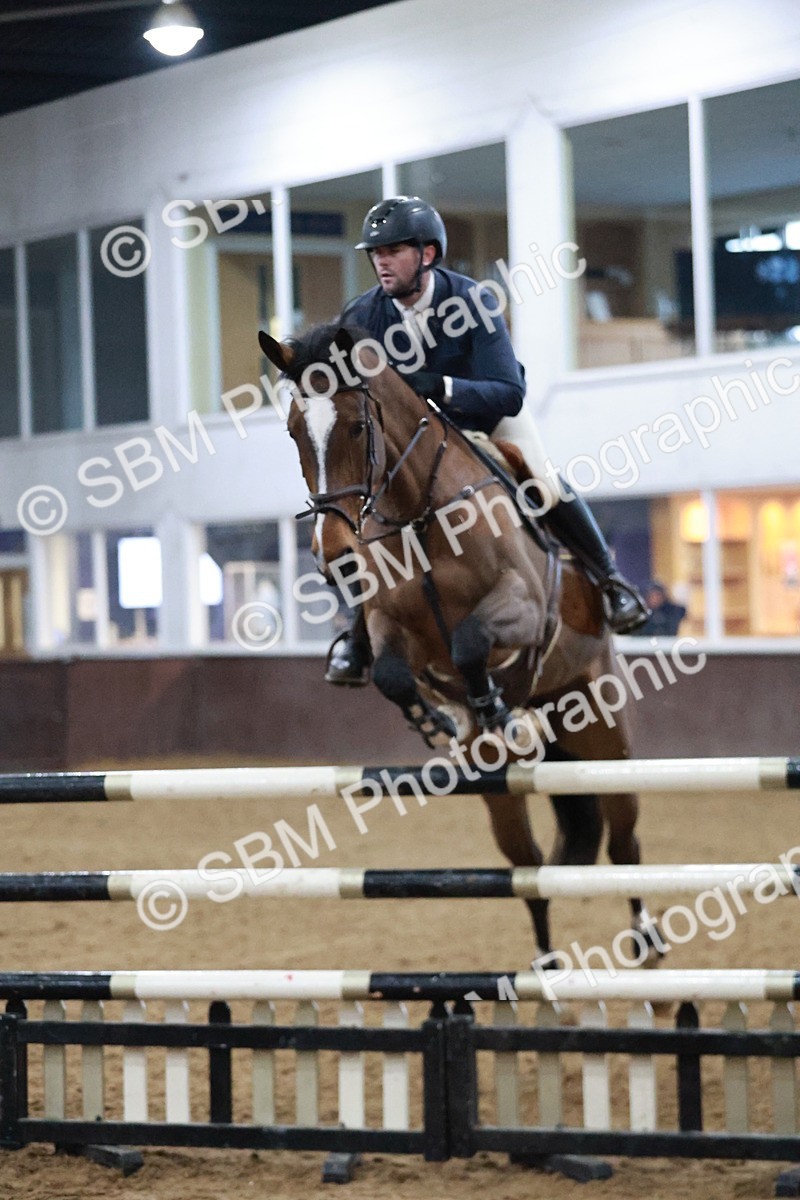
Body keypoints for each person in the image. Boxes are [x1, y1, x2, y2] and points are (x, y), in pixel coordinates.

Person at [325, 196, 649, 685]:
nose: (381, 261)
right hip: (410, 442)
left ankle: (610, 580)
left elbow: (510, 394)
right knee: (365, 508)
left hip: (484, 418)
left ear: (427, 254)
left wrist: (443, 387)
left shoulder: (472, 301)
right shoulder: (361, 316)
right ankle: (357, 634)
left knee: (540, 477)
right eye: (376, 252)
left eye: (393, 250)